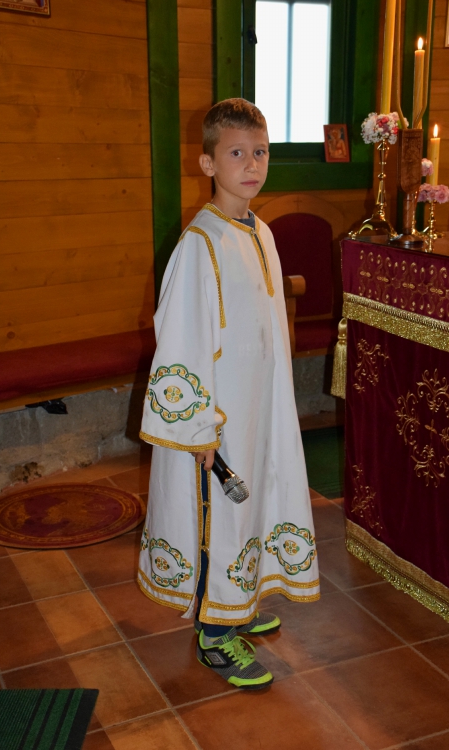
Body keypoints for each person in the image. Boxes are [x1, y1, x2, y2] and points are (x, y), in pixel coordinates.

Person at [138, 98, 320, 690]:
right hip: (218, 421)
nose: (252, 164)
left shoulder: (260, 231)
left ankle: (236, 603)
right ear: (208, 163)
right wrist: (198, 430)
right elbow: (181, 339)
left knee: (255, 505)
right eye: (237, 152)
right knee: (219, 516)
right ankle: (215, 636)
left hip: (260, 409)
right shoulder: (200, 243)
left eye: (260, 152)